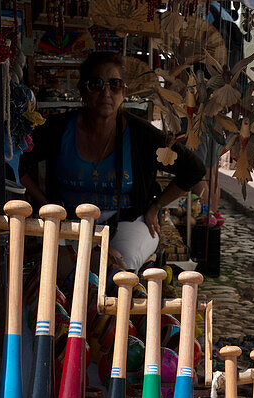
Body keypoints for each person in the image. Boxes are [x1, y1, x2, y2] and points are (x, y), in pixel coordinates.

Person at [20, 51, 205, 272]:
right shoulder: (59, 129)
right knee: (57, 270)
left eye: (114, 85)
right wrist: (44, 203)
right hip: (69, 221)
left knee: (119, 270)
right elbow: (16, 160)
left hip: (126, 222)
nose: (106, 92)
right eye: (96, 84)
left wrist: (155, 207)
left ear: (124, 92)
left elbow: (193, 168)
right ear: (82, 90)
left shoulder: (141, 136)